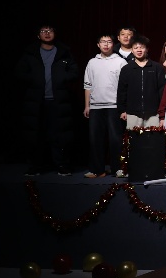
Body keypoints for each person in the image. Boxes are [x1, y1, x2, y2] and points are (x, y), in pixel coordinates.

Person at [20, 24, 79, 176]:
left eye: (50, 30)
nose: (47, 33)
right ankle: (35, 166)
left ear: (55, 34)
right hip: (36, 102)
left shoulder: (64, 52)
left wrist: (62, 79)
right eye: (43, 31)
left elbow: (75, 72)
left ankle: (61, 165)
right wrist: (34, 80)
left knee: (60, 135)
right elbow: (20, 73)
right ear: (38, 35)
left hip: (58, 101)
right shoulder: (30, 53)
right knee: (36, 135)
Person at [83, 32, 128, 178]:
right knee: (95, 139)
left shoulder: (120, 62)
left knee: (116, 139)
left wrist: (123, 107)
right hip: (96, 106)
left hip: (114, 106)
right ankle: (97, 170)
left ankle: (118, 168)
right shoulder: (92, 62)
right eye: (103, 42)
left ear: (113, 44)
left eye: (109, 42)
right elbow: (87, 85)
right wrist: (87, 105)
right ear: (98, 44)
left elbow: (125, 87)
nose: (106, 44)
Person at [117, 35, 166, 131]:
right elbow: (121, 91)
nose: (139, 50)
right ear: (132, 50)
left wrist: (162, 114)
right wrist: (122, 110)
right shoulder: (126, 69)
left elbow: (162, 91)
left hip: (153, 113)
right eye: (135, 48)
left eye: (142, 47)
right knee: (133, 139)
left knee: (153, 139)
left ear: (147, 49)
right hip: (132, 113)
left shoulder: (157, 68)